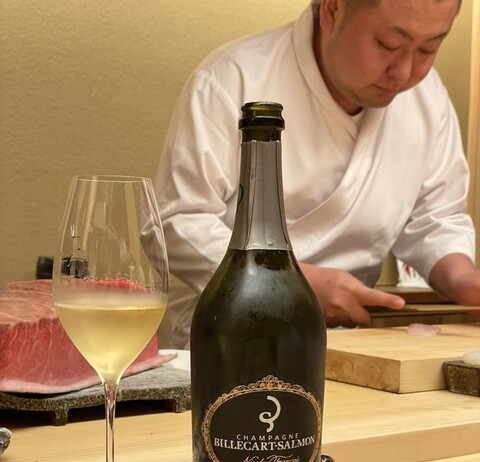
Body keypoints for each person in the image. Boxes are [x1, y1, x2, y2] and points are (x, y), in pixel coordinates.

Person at [155, 0, 475, 349]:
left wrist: (462, 278)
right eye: (388, 45)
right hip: (230, 337)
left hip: (357, 344)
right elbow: (179, 222)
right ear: (332, 9)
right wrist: (290, 283)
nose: (405, 72)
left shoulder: (428, 98)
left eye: (428, 49)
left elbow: (435, 220)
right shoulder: (234, 78)